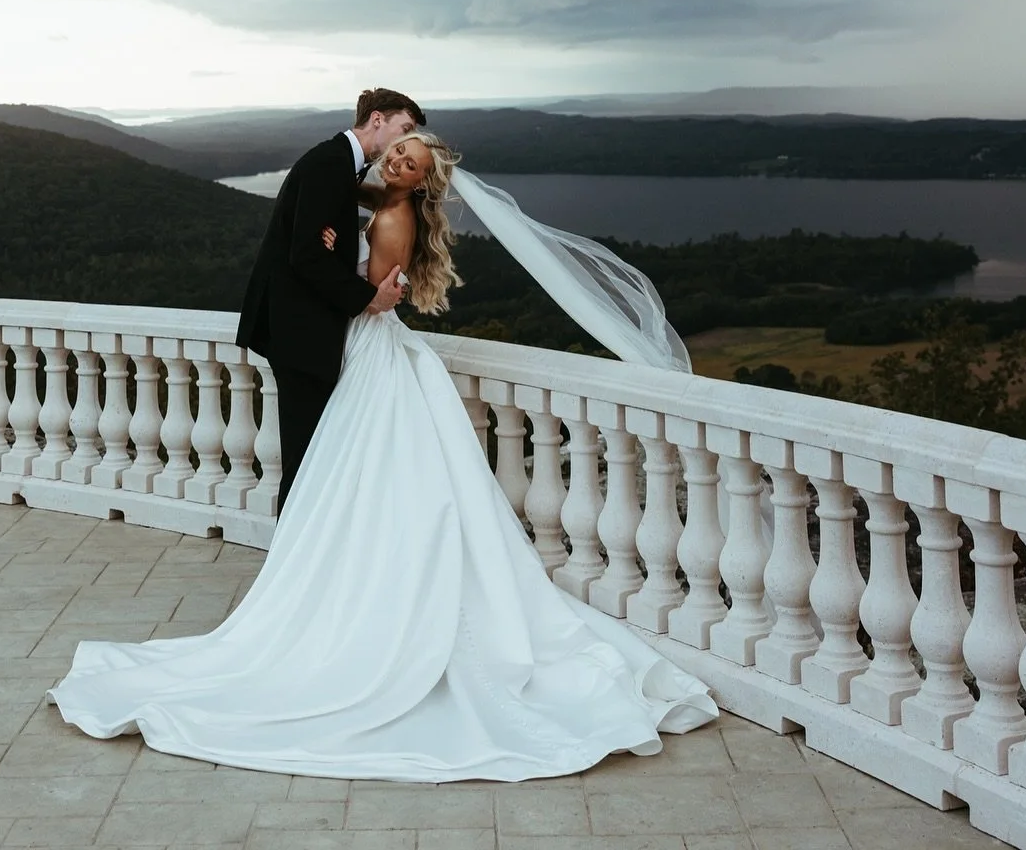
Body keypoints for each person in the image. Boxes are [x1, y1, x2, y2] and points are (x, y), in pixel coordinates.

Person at [48, 128, 717, 782]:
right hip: (375, 352)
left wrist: (354, 269)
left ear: (423, 181)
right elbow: (347, 205)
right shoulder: (383, 201)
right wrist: (337, 227)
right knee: (366, 475)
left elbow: (372, 299)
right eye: (398, 150)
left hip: (370, 348)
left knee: (371, 476)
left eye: (410, 160)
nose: (397, 160)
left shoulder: (394, 218)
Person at [233, 86, 424, 508]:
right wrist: (369, 299)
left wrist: (334, 246)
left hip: (306, 330)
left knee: (314, 459)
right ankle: (290, 568)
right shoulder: (329, 163)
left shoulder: (341, 165)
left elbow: (314, 246)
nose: (404, 140)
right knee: (305, 464)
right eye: (404, 128)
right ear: (378, 119)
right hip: (300, 335)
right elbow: (305, 255)